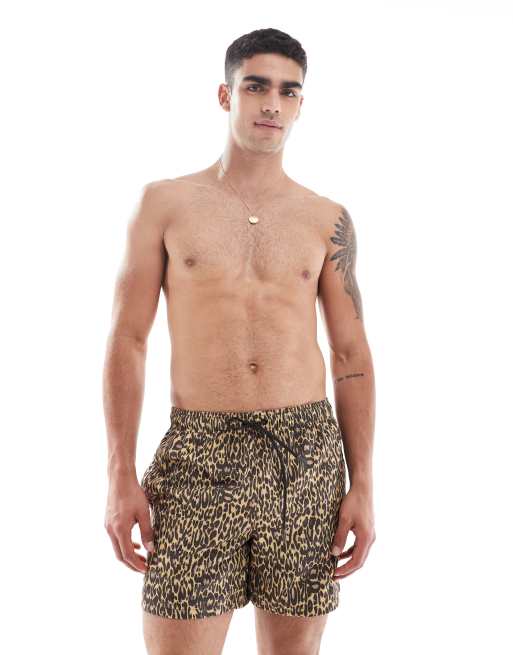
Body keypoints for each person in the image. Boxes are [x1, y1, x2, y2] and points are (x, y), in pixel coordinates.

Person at [103, 27, 376, 655]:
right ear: (226, 96)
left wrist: (363, 483)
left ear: (301, 104)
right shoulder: (165, 204)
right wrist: (119, 473)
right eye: (256, 87)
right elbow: (128, 339)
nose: (272, 104)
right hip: (199, 453)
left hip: (305, 457)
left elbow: (351, 357)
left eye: (288, 91)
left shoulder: (326, 219)